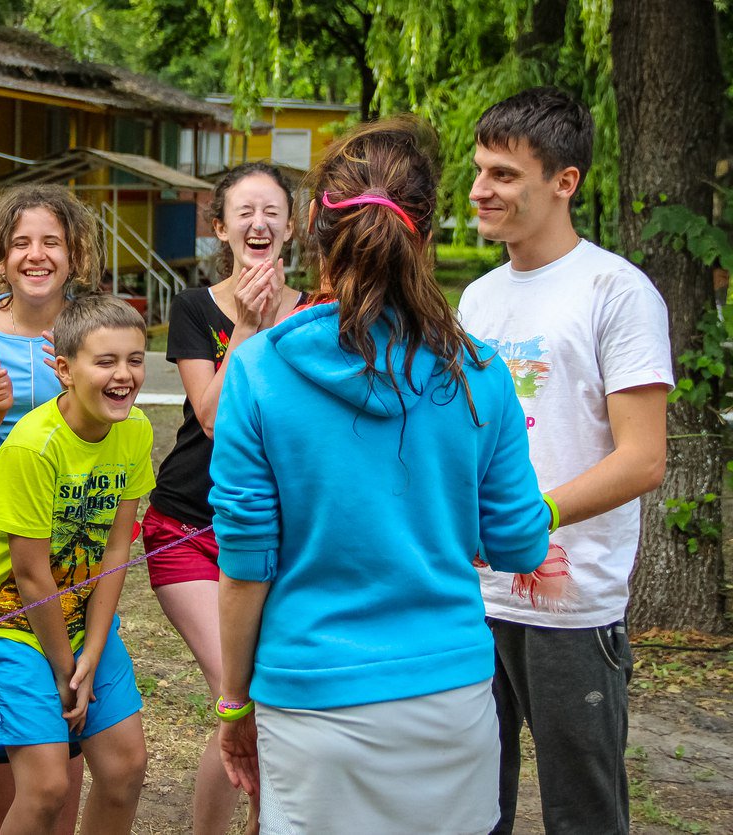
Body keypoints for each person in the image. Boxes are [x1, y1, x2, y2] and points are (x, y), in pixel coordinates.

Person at [210, 116, 553, 833]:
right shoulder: (480, 372)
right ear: (424, 234)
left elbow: (245, 569)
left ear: (312, 225)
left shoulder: (258, 368)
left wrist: (235, 703)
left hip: (309, 702)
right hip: (449, 698)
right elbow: (520, 544)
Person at [459, 87, 672, 834]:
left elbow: (645, 458)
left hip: (572, 607)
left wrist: (533, 515)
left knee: (582, 813)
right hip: (473, 598)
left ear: (564, 181)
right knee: (468, 805)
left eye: (504, 175)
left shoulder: (617, 292)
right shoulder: (475, 302)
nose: (481, 189)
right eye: (480, 169)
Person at [0, 293, 153, 835]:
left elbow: (116, 550)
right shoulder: (34, 445)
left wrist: (93, 647)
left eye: (135, 359)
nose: (124, 375)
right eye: (105, 361)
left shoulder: (135, 432)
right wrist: (71, 673)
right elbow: (31, 574)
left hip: (79, 613)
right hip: (9, 620)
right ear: (64, 369)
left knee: (125, 765)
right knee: (45, 787)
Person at [145, 161, 305, 834]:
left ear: (291, 226)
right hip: (187, 526)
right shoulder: (194, 308)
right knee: (238, 700)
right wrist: (245, 323)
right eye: (244, 212)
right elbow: (212, 416)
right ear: (221, 228)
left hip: (278, 532)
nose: (258, 223)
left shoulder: (320, 311)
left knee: (274, 701)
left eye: (272, 211)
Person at [0, 184, 101, 834]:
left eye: (51, 241)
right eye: (21, 242)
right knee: (4, 696)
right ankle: (1, 821)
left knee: (68, 689)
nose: (36, 254)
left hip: (72, 533)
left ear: (74, 253)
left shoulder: (91, 326)